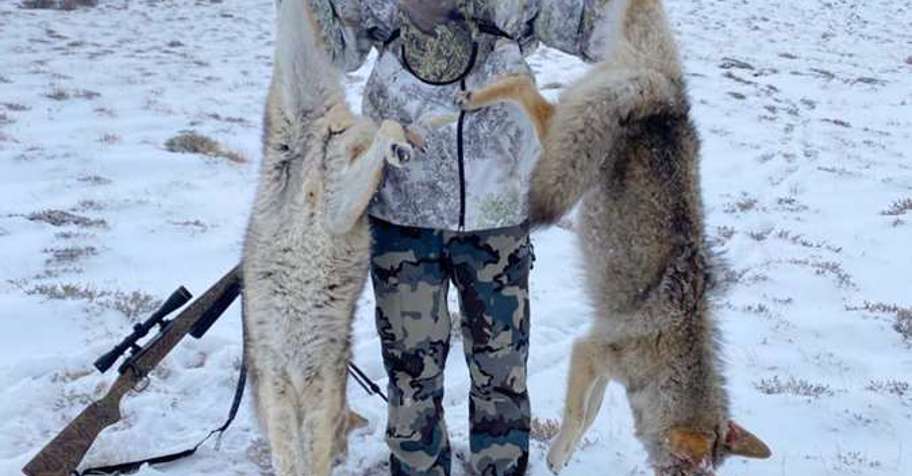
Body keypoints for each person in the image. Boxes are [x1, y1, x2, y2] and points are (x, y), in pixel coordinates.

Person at [310, 1, 616, 474]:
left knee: (501, 365)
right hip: (402, 206)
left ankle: (503, 466)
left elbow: (593, 33)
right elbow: (336, 49)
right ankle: (418, 467)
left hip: (498, 207)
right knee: (411, 367)